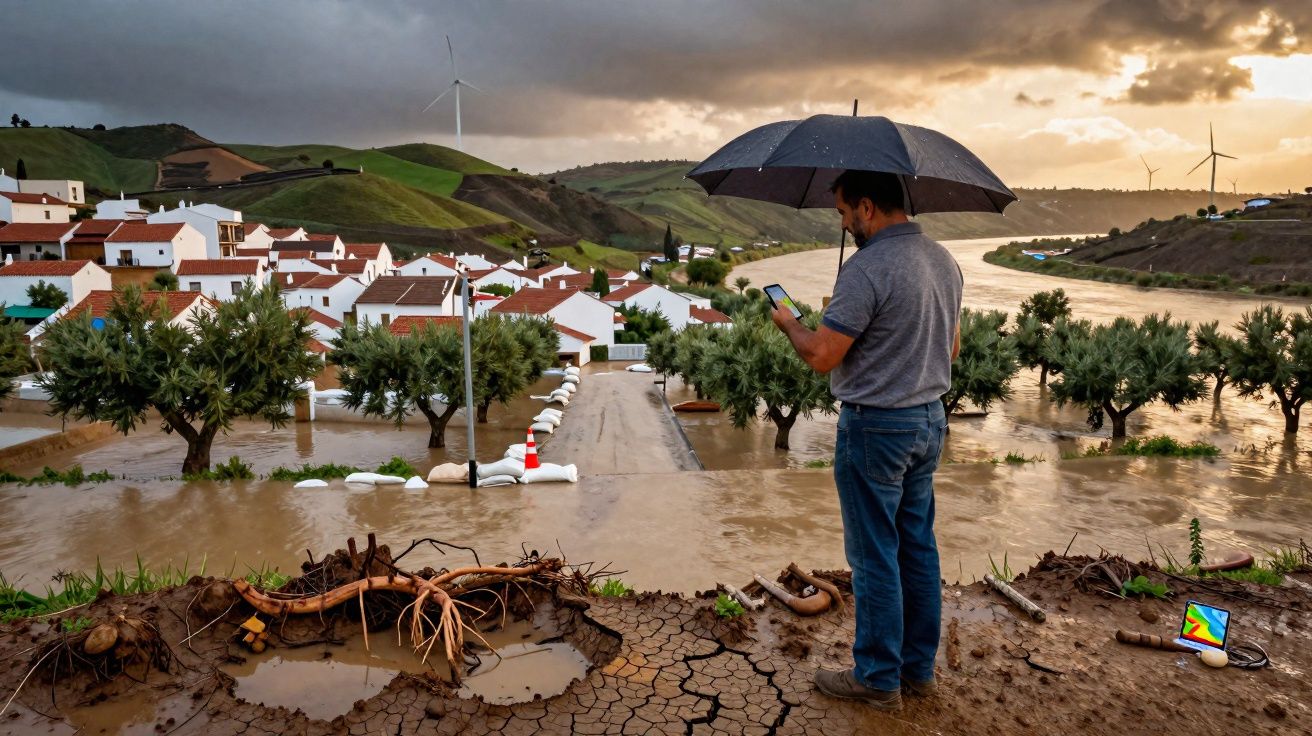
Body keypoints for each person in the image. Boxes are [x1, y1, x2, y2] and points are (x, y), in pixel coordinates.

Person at [769, 169, 962, 711]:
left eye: (842, 212)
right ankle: (917, 672)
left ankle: (877, 680)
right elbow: (949, 349)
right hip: (928, 421)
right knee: (917, 549)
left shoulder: (867, 268)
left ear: (867, 207)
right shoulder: (943, 261)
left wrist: (790, 322)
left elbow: (821, 356)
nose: (843, 222)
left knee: (875, 556)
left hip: (876, 427)